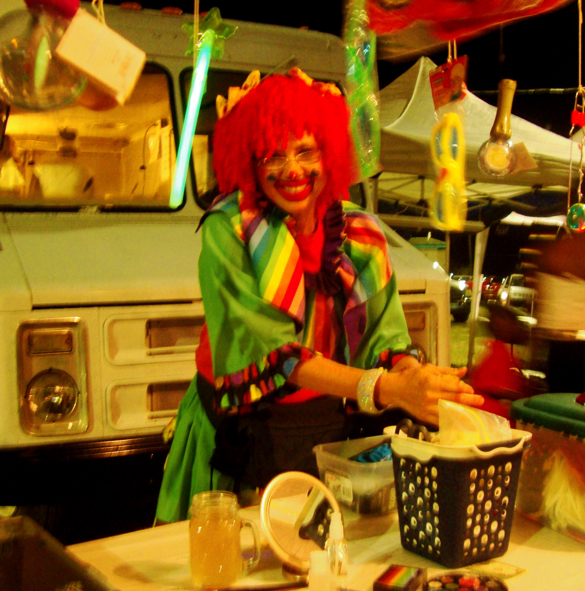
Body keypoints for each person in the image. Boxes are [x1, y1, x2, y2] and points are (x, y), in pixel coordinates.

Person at [155, 68, 484, 523]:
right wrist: (388, 388)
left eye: (305, 150)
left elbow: (385, 337)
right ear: (250, 162)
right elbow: (273, 355)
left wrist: (412, 377)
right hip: (236, 434)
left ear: (329, 153)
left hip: (327, 432)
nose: (292, 169)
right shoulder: (226, 230)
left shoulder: (360, 232)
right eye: (273, 155)